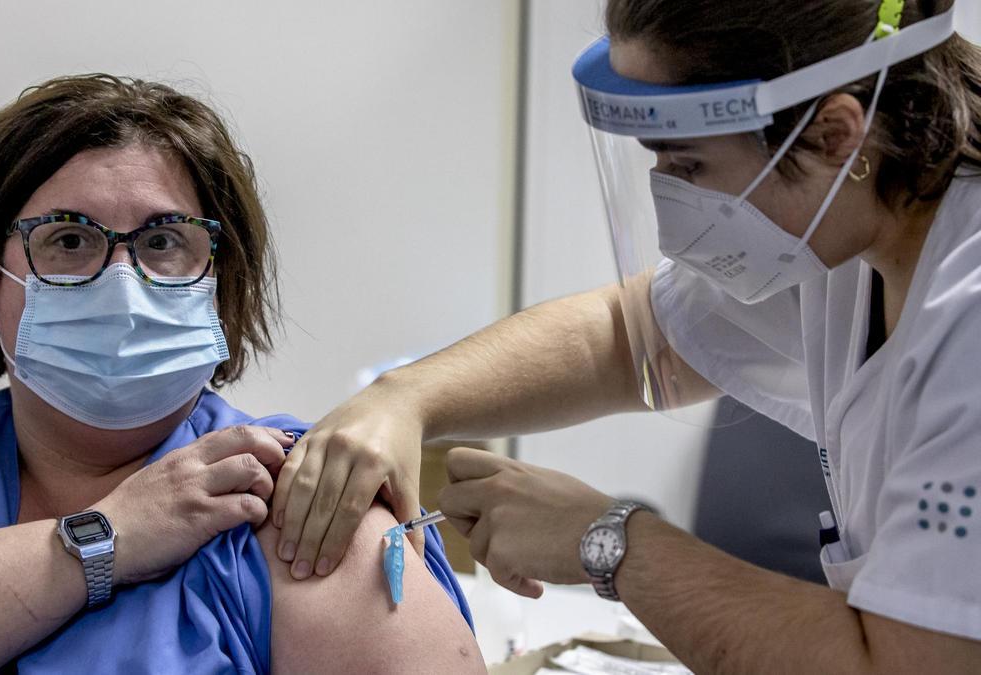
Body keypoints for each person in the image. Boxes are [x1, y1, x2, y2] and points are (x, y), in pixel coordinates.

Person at [273, 1, 981, 671]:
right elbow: (632, 342)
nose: (669, 194)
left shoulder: (967, 318)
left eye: (689, 164)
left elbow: (901, 662)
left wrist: (611, 540)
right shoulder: (849, 226)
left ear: (834, 134)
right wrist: (405, 399)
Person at [0, 74, 484, 674]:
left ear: (219, 285)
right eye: (69, 238)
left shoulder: (301, 499)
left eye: (163, 241)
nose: (122, 279)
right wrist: (109, 536)